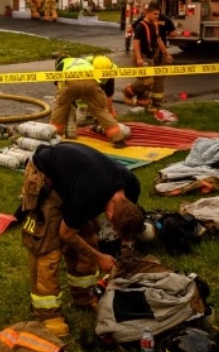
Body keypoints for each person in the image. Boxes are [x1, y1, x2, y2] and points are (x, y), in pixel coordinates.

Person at [18, 142, 145, 337]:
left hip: (77, 179)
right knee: (47, 249)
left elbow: (128, 228)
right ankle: (47, 314)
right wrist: (99, 258)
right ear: (109, 217)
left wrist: (127, 250)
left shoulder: (132, 186)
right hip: (45, 177)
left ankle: (84, 296)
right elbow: (66, 234)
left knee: (87, 238)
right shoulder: (87, 196)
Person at [51, 55, 126, 147]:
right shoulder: (82, 61)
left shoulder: (61, 65)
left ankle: (54, 137)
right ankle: (118, 139)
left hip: (72, 82)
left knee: (60, 108)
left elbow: (60, 88)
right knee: (101, 110)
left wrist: (66, 101)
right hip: (92, 81)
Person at [123, 2, 172, 111]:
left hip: (150, 57)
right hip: (143, 56)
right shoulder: (141, 26)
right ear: (147, 13)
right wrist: (139, 58)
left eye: (158, 14)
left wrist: (167, 54)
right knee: (147, 80)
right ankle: (128, 90)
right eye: (154, 14)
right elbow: (136, 42)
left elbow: (159, 41)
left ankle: (146, 103)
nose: (157, 16)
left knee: (151, 82)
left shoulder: (154, 25)